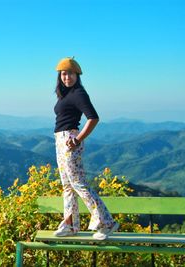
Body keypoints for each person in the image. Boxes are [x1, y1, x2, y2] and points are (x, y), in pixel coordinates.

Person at [53, 57, 119, 240]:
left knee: (78, 184)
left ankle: (107, 223)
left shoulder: (78, 93)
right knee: (67, 186)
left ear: (77, 75)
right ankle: (70, 224)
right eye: (64, 74)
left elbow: (93, 118)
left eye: (70, 74)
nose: (67, 77)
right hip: (60, 140)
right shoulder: (66, 94)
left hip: (70, 140)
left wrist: (78, 139)